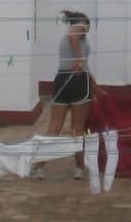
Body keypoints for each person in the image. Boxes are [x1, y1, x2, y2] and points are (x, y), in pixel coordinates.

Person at [31, 10, 104, 180]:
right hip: (76, 81)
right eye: (84, 28)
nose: (84, 32)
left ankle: (40, 167)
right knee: (77, 128)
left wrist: (95, 86)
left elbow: (85, 65)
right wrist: (78, 60)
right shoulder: (74, 34)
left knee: (55, 127)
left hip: (64, 79)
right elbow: (74, 39)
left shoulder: (75, 39)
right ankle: (78, 169)